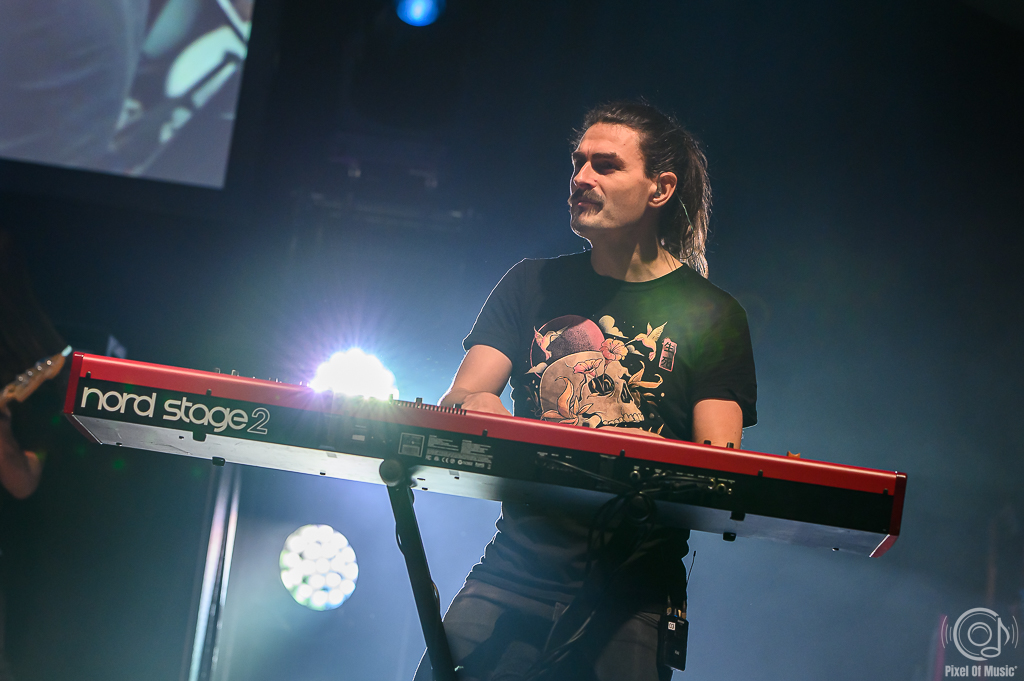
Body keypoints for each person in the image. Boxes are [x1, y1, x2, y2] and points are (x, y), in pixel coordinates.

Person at [413, 101, 758, 681]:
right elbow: (460, 397)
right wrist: (477, 404)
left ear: (660, 188)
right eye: (577, 163)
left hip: (632, 599)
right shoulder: (531, 283)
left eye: (605, 165)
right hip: (511, 572)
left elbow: (718, 463)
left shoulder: (713, 314)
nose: (581, 178)